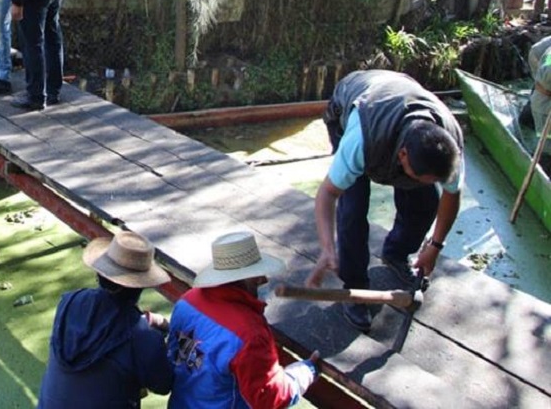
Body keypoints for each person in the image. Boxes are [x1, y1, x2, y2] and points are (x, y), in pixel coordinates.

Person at [307, 69, 464, 332]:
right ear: (402, 155)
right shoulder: (360, 139)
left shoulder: (450, 144)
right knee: (353, 210)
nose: (422, 181)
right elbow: (328, 193)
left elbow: (452, 193)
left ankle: (396, 253)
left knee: (427, 201)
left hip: (400, 91)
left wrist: (435, 246)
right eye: (419, 176)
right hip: (356, 101)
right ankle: (355, 288)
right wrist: (327, 248)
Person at [167, 230, 318, 409]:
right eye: (258, 275)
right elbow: (270, 398)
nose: (264, 280)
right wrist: (305, 372)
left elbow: (173, 357)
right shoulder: (249, 334)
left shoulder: (187, 301)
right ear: (247, 278)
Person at [37, 230, 174, 408]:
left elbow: (103, 328)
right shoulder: (143, 338)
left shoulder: (69, 302)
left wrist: (144, 324)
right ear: (141, 286)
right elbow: (164, 384)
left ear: (100, 274)